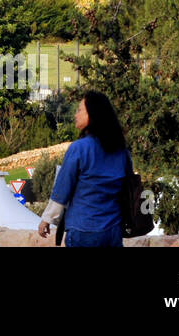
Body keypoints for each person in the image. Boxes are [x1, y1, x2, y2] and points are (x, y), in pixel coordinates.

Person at [37, 91, 132, 248]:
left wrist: (47, 218)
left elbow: (62, 188)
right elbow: (128, 187)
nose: (76, 114)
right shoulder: (121, 151)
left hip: (84, 229)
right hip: (113, 230)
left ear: (92, 115)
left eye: (80, 110)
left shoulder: (79, 148)